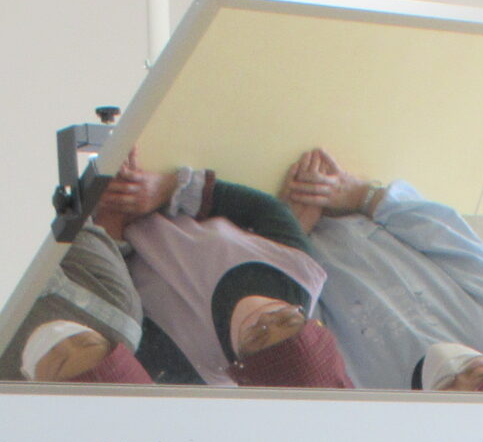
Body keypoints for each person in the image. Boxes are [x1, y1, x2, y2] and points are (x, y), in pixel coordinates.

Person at [275, 147, 483, 392]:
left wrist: (287, 240)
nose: (453, 365)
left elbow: (297, 329)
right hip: (353, 200)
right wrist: (362, 196)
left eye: (448, 383)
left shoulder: (374, 407)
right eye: (477, 370)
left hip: (279, 238)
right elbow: (452, 241)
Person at [97, 154, 354, 388]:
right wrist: (165, 190)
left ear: (241, 367)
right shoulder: (301, 272)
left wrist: (114, 220)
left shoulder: (188, 367)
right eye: (287, 319)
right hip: (156, 190)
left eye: (258, 338)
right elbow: (266, 210)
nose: (265, 318)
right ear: (313, 324)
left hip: (104, 234)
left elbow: (113, 298)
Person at [0, 223, 155, 384]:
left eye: (58, 363)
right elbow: (69, 220)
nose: (65, 342)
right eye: (87, 343)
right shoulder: (116, 307)